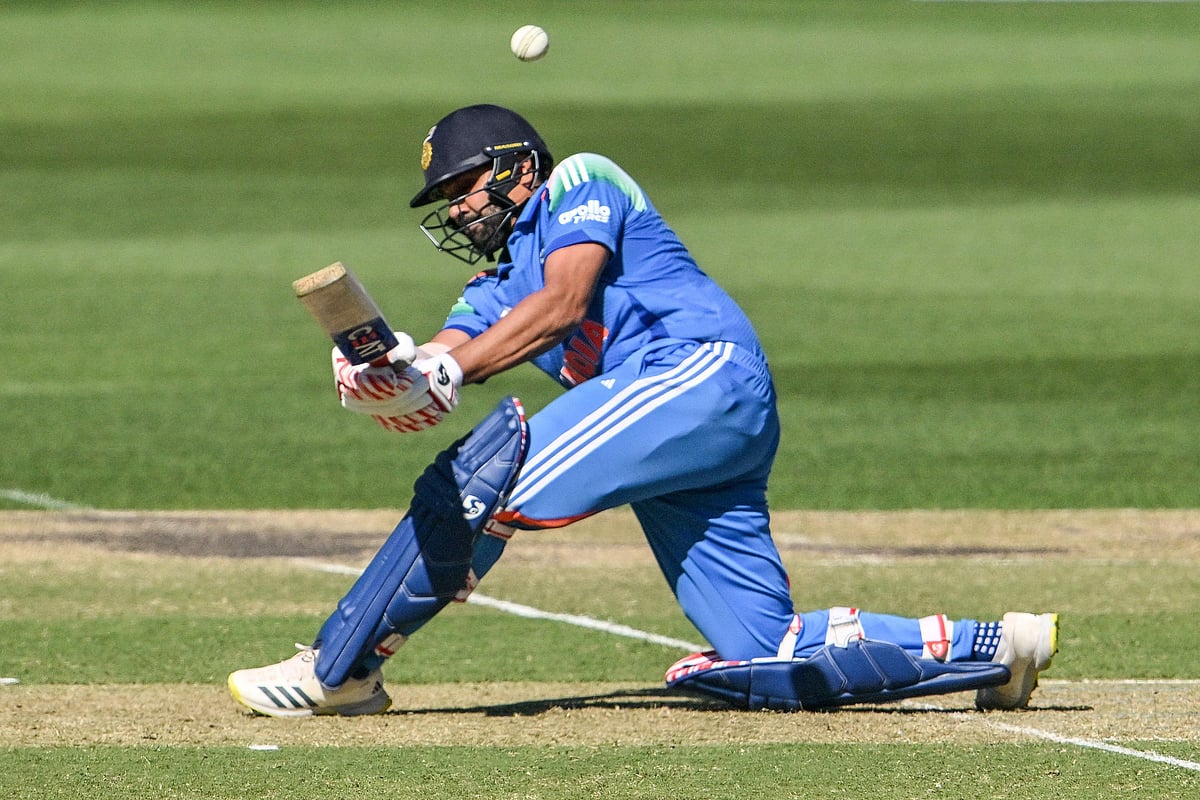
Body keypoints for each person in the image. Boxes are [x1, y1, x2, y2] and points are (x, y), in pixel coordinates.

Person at [228, 104, 1058, 716]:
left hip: (694, 374)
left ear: (520, 167)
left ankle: (339, 673)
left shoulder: (582, 181)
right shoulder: (490, 285)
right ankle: (1000, 646)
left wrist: (447, 366)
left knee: (489, 478)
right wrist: (394, 373)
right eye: (445, 197)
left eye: (464, 186)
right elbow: (452, 352)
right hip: (692, 429)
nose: (457, 208)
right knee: (763, 649)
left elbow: (562, 304)